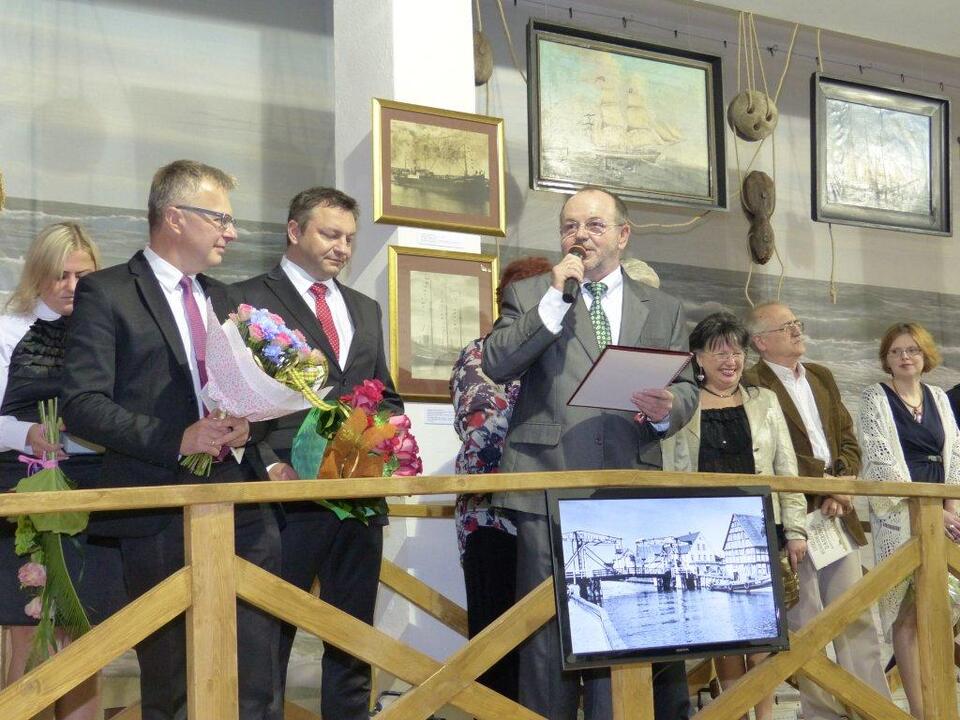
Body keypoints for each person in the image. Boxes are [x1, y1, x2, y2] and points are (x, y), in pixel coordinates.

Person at [61, 160, 283, 720]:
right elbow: (82, 405)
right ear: (176, 217)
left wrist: (250, 425)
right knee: (174, 681)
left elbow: (264, 395)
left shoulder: (229, 300)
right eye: (221, 219)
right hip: (157, 507)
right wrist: (176, 439)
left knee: (256, 677)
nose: (232, 233)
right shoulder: (107, 293)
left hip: (242, 503)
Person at [481, 186, 698, 720]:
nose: (580, 236)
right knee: (546, 636)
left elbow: (688, 386)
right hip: (546, 483)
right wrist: (555, 299)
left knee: (622, 631)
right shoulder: (532, 293)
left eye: (595, 225)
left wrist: (668, 407)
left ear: (622, 235)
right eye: (570, 226)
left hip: (627, 483)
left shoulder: (664, 308)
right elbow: (498, 362)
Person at [234, 186, 401, 720]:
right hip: (284, 493)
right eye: (330, 234)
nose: (342, 248)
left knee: (352, 635)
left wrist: (385, 447)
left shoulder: (365, 308)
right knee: (267, 638)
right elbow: (230, 398)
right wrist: (267, 463)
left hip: (358, 495)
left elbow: (384, 394)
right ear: (294, 230)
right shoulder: (245, 299)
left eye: (349, 238)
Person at [0, 222, 126, 719]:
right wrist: (27, 434)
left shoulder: (109, 333)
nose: (73, 286)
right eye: (61, 275)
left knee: (84, 631)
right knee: (29, 630)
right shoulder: (8, 330)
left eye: (84, 276)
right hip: (22, 489)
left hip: (94, 490)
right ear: (37, 275)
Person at [744, 302, 891, 719]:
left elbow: (847, 437)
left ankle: (874, 709)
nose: (797, 331)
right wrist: (823, 483)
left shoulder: (821, 375)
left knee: (855, 617)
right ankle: (823, 714)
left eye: (797, 323)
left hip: (836, 513)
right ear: (761, 342)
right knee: (807, 626)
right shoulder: (752, 382)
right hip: (793, 517)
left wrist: (841, 483)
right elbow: (773, 453)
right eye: (786, 327)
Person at [661, 311, 806, 720]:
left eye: (737, 351)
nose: (731, 360)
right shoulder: (683, 405)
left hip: (759, 528)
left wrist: (796, 529)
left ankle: (765, 715)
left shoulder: (765, 401)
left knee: (763, 636)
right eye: (719, 352)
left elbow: (786, 469)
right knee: (724, 635)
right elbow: (669, 469)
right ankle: (734, 713)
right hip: (707, 532)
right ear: (698, 358)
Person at [450, 255, 552, 702]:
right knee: (496, 646)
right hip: (491, 518)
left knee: (550, 648)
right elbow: (481, 429)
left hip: (549, 518)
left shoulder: (562, 352)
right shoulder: (480, 353)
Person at [859, 322, 960, 719]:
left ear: (925, 355)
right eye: (896, 351)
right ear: (886, 358)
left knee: (941, 611)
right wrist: (927, 510)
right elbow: (880, 458)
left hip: (944, 514)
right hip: (900, 515)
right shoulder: (875, 397)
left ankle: (943, 705)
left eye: (912, 350)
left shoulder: (939, 398)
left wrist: (951, 507)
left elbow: (955, 455)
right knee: (907, 614)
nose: (905, 357)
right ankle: (920, 712)